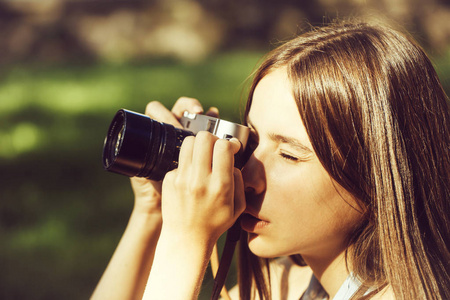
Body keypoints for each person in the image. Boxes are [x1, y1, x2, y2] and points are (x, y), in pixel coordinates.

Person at [91, 21, 450, 300]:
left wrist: (185, 241)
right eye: (252, 140)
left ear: (379, 176)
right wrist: (151, 213)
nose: (246, 174)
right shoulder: (290, 285)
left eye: (289, 154)